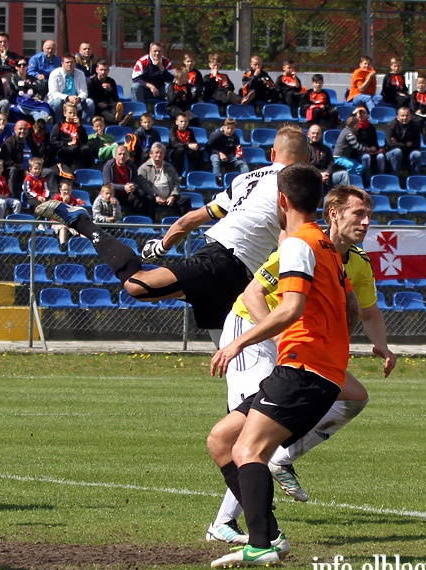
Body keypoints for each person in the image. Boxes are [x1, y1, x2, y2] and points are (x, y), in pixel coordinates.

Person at [207, 186, 395, 544]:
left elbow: (365, 312)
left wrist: (381, 346)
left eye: (369, 214)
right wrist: (270, 340)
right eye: (359, 214)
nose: (366, 222)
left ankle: (265, 523)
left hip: (302, 356)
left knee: (352, 397)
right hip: (254, 327)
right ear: (333, 214)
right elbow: (254, 295)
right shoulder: (303, 245)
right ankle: (228, 524)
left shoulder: (351, 261)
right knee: (237, 442)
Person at [35, 125, 309, 343]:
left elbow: (189, 221)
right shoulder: (295, 184)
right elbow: (293, 235)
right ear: (306, 160)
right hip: (223, 265)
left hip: (227, 267)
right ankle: (81, 221)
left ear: (272, 154)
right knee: (136, 284)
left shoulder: (244, 179)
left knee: (233, 363)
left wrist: (162, 247)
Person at [138, 142, 191, 218]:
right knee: (147, 199)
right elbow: (144, 186)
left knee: (185, 200)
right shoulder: (143, 168)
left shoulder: (169, 167)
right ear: (151, 154)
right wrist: (155, 196)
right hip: (153, 198)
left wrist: (173, 195)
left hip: (169, 198)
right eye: (156, 153)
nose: (159, 155)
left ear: (164, 155)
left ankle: (185, 224)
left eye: (161, 153)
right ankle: (151, 226)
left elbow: (176, 183)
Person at [101, 144, 153, 220]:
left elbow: (136, 182)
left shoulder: (131, 165)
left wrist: (132, 186)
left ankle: (137, 220)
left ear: (127, 156)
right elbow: (107, 183)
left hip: (128, 194)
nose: (122, 156)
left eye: (124, 154)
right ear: (115, 156)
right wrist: (123, 187)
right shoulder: (109, 166)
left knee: (142, 194)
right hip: (114, 194)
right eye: (119, 154)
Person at [47, 53, 94, 125]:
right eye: (67, 62)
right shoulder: (54, 74)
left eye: (71, 62)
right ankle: (60, 125)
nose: (69, 64)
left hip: (76, 101)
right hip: (61, 101)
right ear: (62, 63)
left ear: (75, 63)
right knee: (57, 103)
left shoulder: (80, 74)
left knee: (89, 102)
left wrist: (79, 98)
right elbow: (53, 93)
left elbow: (84, 92)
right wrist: (67, 98)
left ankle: (85, 126)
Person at [307, 124, 349, 192]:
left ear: (321, 135)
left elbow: (331, 163)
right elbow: (305, 165)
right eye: (313, 133)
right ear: (308, 134)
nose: (315, 135)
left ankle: (343, 198)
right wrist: (319, 175)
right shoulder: (305, 149)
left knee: (344, 174)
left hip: (327, 177)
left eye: (317, 133)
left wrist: (327, 173)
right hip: (312, 179)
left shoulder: (326, 149)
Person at [208, 117, 249, 185]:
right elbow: (208, 147)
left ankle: (246, 179)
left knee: (242, 163)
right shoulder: (216, 135)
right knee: (216, 161)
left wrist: (238, 153)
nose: (229, 131)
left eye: (232, 129)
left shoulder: (235, 137)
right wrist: (219, 153)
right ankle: (218, 179)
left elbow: (237, 147)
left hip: (229, 155)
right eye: (228, 128)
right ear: (224, 127)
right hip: (216, 153)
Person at [384, 106, 422, 174]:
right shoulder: (391, 125)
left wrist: (397, 143)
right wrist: (405, 145)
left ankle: (414, 179)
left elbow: (416, 145)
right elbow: (389, 144)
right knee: (397, 152)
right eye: (402, 116)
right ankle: (394, 177)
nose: (405, 118)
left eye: (407, 116)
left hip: (408, 153)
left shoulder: (415, 127)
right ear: (398, 117)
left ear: (411, 117)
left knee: (417, 154)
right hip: (392, 154)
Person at [87, 60, 126, 126]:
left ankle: (119, 119)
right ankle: (120, 121)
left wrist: (110, 90)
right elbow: (88, 97)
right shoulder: (91, 82)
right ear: (97, 70)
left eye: (105, 70)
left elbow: (115, 97)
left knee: (115, 108)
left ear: (108, 71)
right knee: (109, 116)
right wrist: (98, 104)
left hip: (109, 105)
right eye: (101, 70)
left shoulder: (111, 81)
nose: (103, 72)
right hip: (98, 107)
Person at [0, 120, 30, 198]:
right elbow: (7, 161)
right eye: (20, 129)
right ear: (15, 129)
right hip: (18, 171)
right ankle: (11, 196)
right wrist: (22, 169)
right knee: (13, 170)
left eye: (25, 129)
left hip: (34, 169)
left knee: (48, 172)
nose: (22, 131)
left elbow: (37, 156)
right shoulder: (9, 143)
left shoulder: (31, 142)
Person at [51, 102, 88, 168]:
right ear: (65, 113)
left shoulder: (79, 125)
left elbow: (84, 140)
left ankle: (85, 169)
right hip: (64, 148)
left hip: (77, 147)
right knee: (71, 149)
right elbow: (53, 141)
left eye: (74, 113)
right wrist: (67, 143)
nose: (72, 115)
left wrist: (79, 126)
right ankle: (69, 168)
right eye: (70, 113)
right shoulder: (59, 125)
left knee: (86, 148)